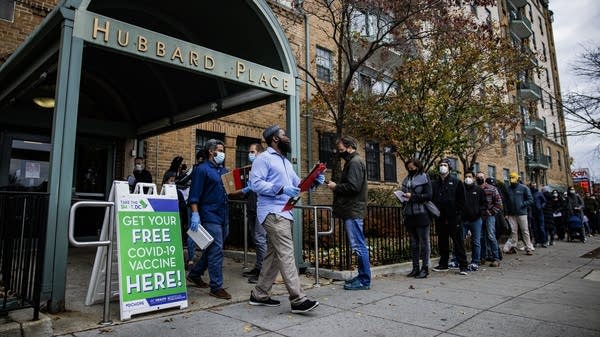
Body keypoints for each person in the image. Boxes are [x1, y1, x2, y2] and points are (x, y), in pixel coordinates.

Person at [248, 125, 320, 313]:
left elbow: (298, 185)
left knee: (273, 256)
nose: (287, 137)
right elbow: (255, 184)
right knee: (287, 253)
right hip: (272, 212)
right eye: (284, 135)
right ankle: (298, 299)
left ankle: (259, 294)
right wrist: (280, 189)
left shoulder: (285, 162)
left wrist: (313, 181)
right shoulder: (263, 159)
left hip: (284, 212)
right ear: (275, 139)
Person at [186, 139, 232, 300]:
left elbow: (231, 191)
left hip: (223, 214)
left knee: (213, 248)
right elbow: (194, 195)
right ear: (211, 151)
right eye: (220, 149)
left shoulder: (223, 170)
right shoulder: (202, 170)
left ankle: (195, 273)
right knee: (217, 249)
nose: (222, 153)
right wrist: (195, 214)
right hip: (209, 214)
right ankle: (216, 287)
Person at [326, 135, 371, 290]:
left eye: (341, 149)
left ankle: (364, 280)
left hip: (353, 209)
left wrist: (335, 187)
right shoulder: (353, 162)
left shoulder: (355, 163)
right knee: (358, 245)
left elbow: (353, 187)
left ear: (349, 146)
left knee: (358, 245)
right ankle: (362, 276)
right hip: (352, 209)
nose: (339, 152)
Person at [431, 159, 469, 275]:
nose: (442, 167)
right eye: (441, 165)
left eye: (445, 165)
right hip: (440, 217)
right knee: (442, 242)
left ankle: (463, 265)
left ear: (449, 168)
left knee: (458, 242)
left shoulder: (456, 182)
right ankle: (443, 264)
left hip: (453, 217)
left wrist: (457, 213)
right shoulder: (434, 184)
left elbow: (462, 200)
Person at [401, 158, 432, 279]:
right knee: (413, 243)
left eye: (412, 168)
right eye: (408, 168)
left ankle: (425, 269)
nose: (410, 170)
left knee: (424, 242)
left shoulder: (424, 177)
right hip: (409, 213)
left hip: (422, 213)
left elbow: (429, 196)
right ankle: (415, 268)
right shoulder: (406, 179)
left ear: (418, 167)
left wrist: (413, 196)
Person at [241, 143, 266, 284]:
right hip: (251, 206)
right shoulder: (251, 169)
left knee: (260, 238)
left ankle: (263, 271)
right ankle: (258, 267)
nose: (249, 154)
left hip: (260, 208)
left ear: (259, 153)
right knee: (255, 238)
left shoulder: (263, 167)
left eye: (252, 152)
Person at [502, 172, 534, 255]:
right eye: (511, 180)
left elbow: (530, 200)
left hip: (522, 213)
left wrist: (522, 204)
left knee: (525, 230)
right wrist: (506, 213)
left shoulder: (524, 188)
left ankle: (528, 247)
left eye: (514, 180)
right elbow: (505, 202)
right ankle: (513, 247)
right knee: (513, 231)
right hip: (511, 214)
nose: (512, 181)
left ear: (518, 179)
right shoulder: (508, 189)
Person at [461, 171, 487, 271]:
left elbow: (484, 204)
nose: (468, 178)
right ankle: (458, 260)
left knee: (476, 242)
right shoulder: (461, 189)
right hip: (463, 220)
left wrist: (479, 213)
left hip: (476, 220)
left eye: (470, 176)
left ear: (473, 178)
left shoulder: (479, 190)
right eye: (466, 176)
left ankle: (475, 261)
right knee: (459, 241)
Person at [476, 172, 502, 267]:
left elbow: (498, 203)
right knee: (481, 236)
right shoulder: (476, 189)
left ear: (484, 178)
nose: (479, 178)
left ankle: (496, 258)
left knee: (491, 236)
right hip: (479, 216)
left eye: (481, 177)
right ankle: (482, 257)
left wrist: (491, 213)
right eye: (478, 177)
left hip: (489, 215)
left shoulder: (491, 188)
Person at [530, 182, 547, 247]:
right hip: (533, 213)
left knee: (541, 227)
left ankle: (544, 242)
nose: (533, 186)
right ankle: (536, 241)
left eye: (534, 185)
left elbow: (544, 201)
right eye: (532, 185)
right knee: (535, 228)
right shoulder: (530, 193)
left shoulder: (539, 193)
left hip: (540, 212)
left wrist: (541, 207)